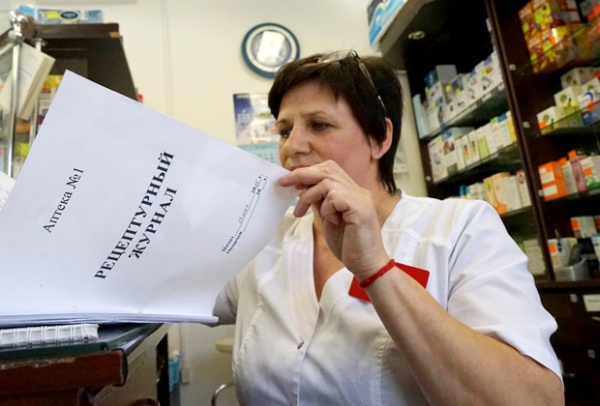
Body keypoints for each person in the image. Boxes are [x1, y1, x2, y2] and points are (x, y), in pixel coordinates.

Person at [213, 50, 564, 405]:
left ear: (380, 137)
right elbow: (186, 291)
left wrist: (376, 269)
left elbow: (534, 400)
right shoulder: (265, 238)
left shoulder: (459, 229)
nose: (291, 147)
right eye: (285, 131)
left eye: (319, 125)